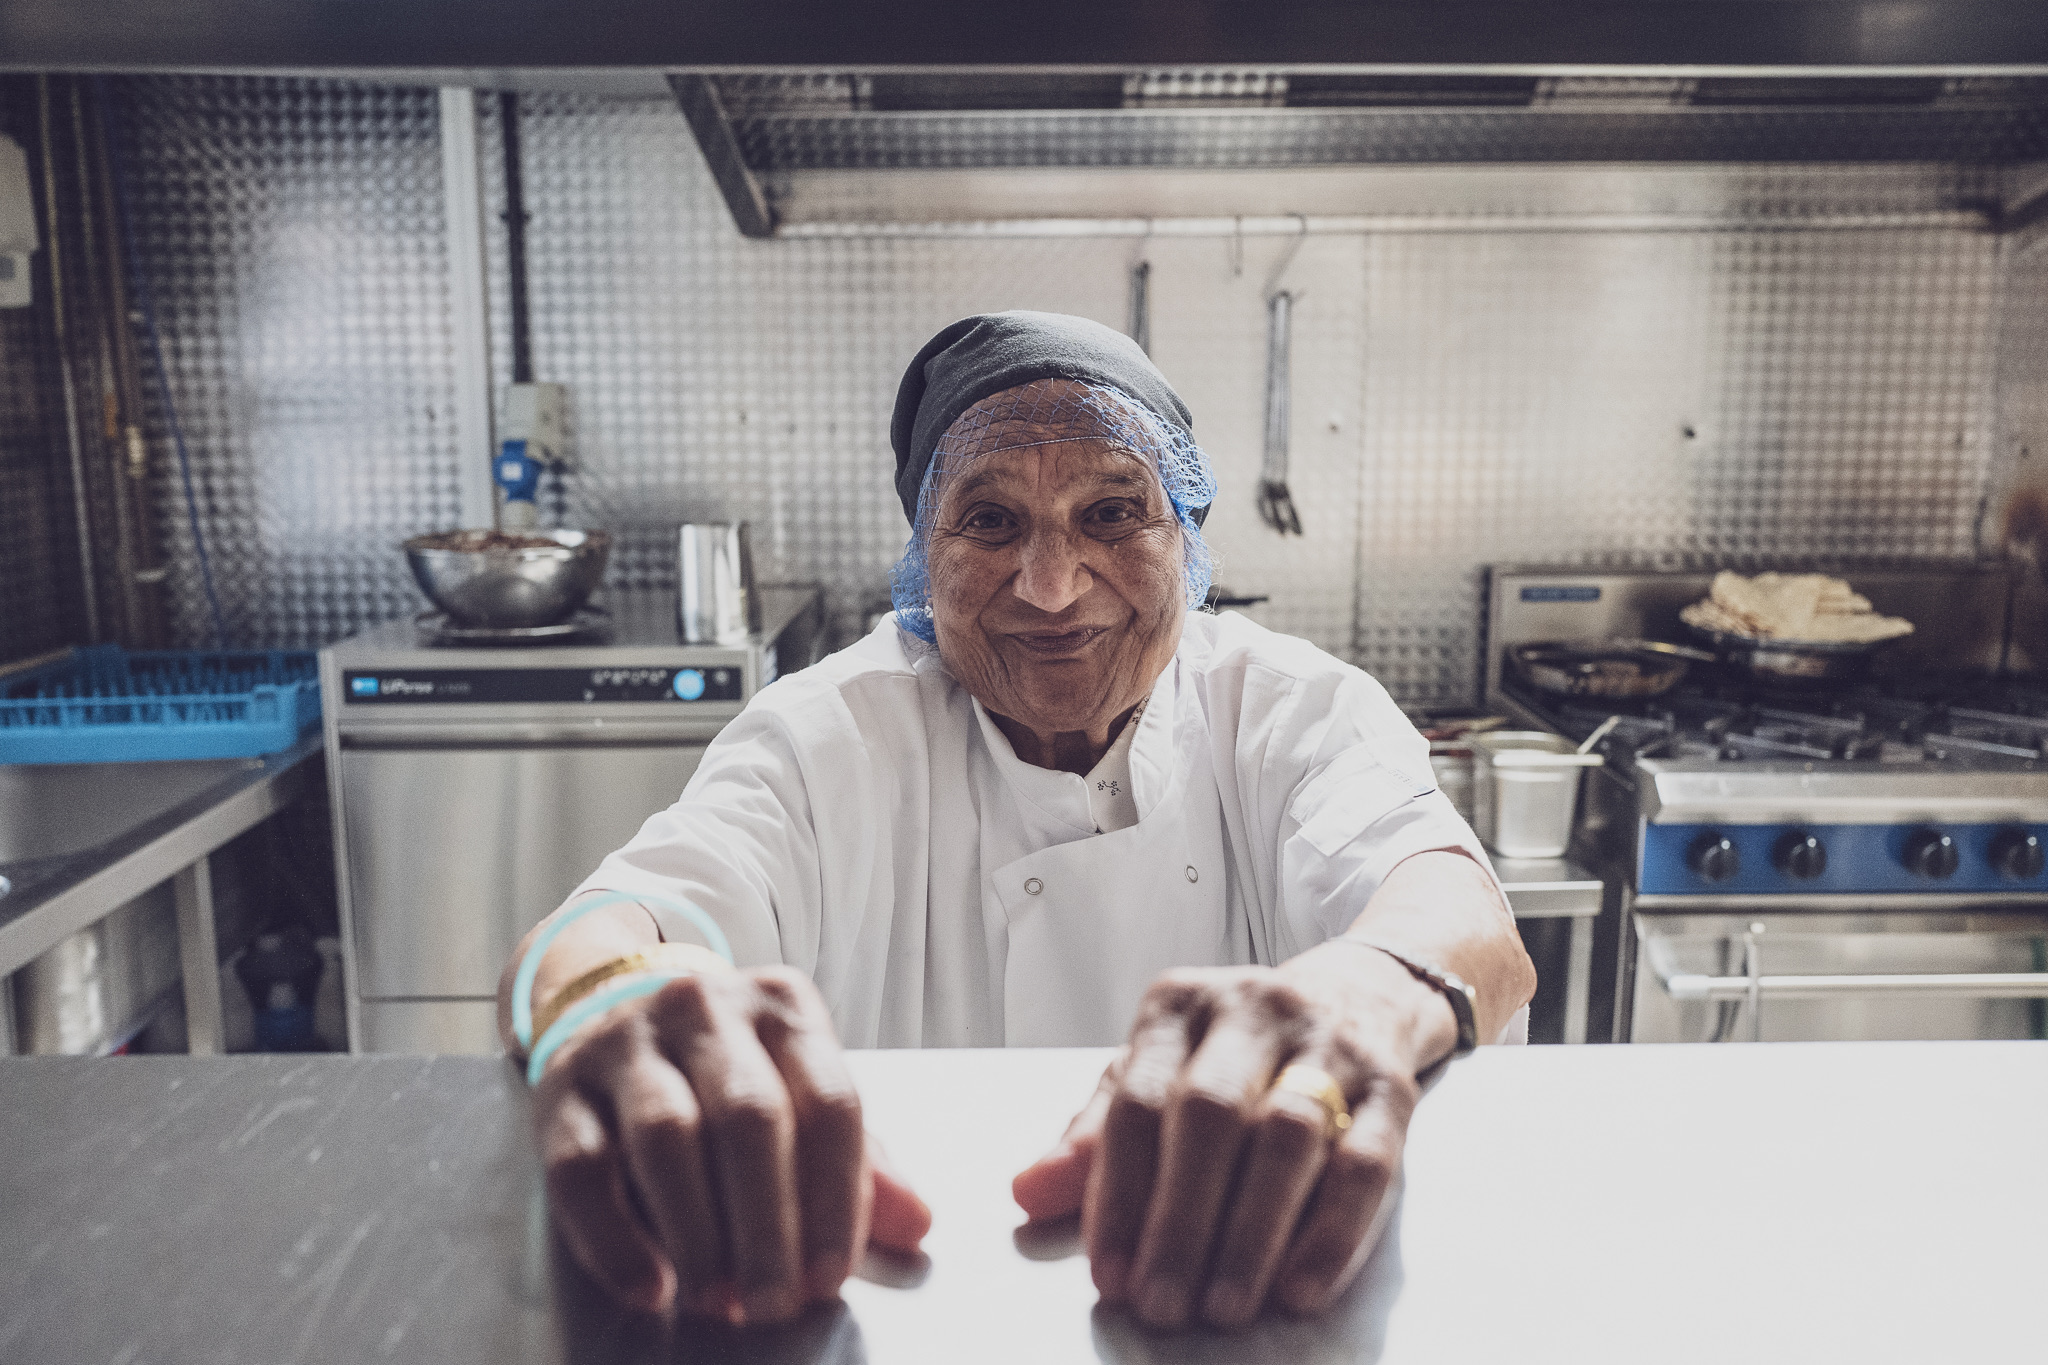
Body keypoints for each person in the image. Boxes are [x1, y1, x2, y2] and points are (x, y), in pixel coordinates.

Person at [497, 310, 1536, 1332]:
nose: (1050, 587)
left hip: (1229, 1301)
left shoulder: (1289, 708)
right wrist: (614, 1003)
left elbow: (1455, 909)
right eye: (990, 521)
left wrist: (1361, 992)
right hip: (894, 1289)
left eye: (1111, 514)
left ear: (1184, 533)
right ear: (922, 553)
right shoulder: (828, 736)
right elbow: (602, 928)